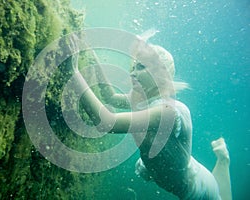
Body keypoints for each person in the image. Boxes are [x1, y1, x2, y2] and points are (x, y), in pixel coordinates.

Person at [68, 34, 232, 200]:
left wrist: (73, 73)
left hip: (199, 189)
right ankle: (223, 159)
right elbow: (110, 97)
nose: (132, 73)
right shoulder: (142, 99)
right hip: (181, 170)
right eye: (133, 68)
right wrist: (90, 53)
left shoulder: (167, 111)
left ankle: (223, 160)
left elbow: (107, 123)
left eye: (140, 67)